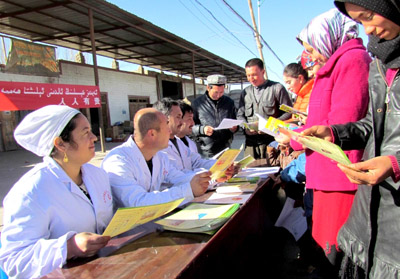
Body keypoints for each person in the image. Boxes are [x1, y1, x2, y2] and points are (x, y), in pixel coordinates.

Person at [302, 1, 400, 278]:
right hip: (374, 198)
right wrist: (334, 133)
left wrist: (395, 163)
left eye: (369, 16)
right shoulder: (381, 61)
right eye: (360, 21)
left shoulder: (355, 60)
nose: (368, 29)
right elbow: (374, 124)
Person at [277, 8, 372, 276]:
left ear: (327, 38)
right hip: (325, 175)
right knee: (324, 251)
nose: (312, 55)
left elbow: (341, 125)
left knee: (334, 255)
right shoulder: (337, 62)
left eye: (313, 48)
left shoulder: (353, 61)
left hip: (338, 177)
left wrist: (295, 138)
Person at [0, 105, 114, 278]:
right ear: (60, 144)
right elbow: (14, 260)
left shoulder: (97, 175)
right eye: (85, 133)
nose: (94, 138)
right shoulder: (32, 191)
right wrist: (68, 247)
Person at [101, 107, 211, 208]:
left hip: (156, 222)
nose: (169, 131)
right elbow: (137, 202)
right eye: (166, 127)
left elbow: (179, 178)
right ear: (152, 134)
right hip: (131, 228)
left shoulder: (160, 157)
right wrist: (188, 190)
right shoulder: (118, 161)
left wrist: (208, 177)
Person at [237, 58, 293, 160]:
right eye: (248, 75)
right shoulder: (245, 92)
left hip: (272, 143)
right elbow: (240, 115)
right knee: (250, 172)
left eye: (254, 74)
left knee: (272, 173)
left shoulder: (277, 88)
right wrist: (245, 128)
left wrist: (270, 125)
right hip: (251, 145)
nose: (251, 78)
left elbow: (289, 113)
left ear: (263, 72)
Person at [154, 98, 216, 173]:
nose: (181, 122)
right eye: (178, 117)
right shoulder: (157, 148)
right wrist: (206, 176)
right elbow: (175, 175)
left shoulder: (180, 143)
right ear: (164, 118)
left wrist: (221, 165)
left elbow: (196, 162)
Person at [192, 74, 238, 158]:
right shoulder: (197, 104)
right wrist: (202, 129)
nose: (218, 95)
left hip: (225, 147)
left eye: (221, 92)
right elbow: (190, 127)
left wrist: (234, 128)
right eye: (216, 92)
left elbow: (235, 120)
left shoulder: (229, 102)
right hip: (206, 151)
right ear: (208, 88)